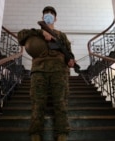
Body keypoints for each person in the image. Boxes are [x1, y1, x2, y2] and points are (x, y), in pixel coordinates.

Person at [17, 6, 76, 141]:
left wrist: (71, 61)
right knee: (38, 103)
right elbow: (20, 36)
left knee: (60, 103)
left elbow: (69, 52)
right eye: (46, 14)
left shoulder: (61, 35)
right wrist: (40, 32)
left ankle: (62, 134)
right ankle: (35, 134)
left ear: (55, 18)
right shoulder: (33, 33)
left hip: (59, 72)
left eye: (51, 14)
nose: (49, 16)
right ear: (43, 18)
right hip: (39, 71)